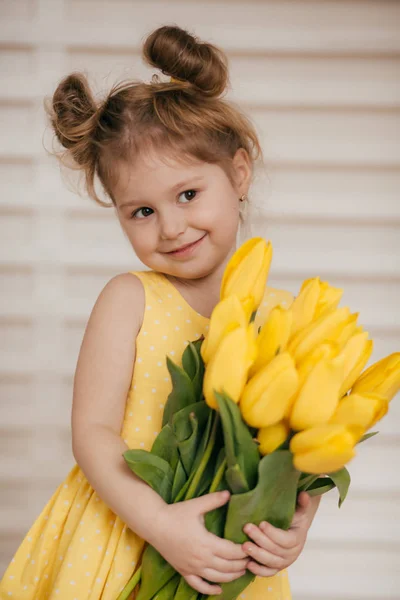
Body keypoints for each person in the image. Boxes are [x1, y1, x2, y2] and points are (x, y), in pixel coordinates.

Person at [0, 25, 320, 600]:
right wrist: (161, 526)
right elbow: (93, 433)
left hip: (230, 553)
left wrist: (299, 520)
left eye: (188, 195)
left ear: (238, 174)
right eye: (141, 210)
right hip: (125, 536)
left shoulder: (285, 313)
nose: (171, 227)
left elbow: (302, 444)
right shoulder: (130, 298)